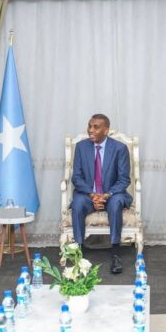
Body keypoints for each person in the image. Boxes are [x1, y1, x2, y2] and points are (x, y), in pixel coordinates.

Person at [70, 113, 133, 274]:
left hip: (112, 195)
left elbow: (124, 179)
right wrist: (92, 194)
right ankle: (79, 252)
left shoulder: (119, 148)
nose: (90, 130)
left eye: (96, 127)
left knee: (116, 203)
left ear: (106, 130)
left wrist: (107, 195)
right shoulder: (81, 147)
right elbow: (76, 177)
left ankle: (116, 252)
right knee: (77, 203)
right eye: (89, 126)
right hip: (88, 195)